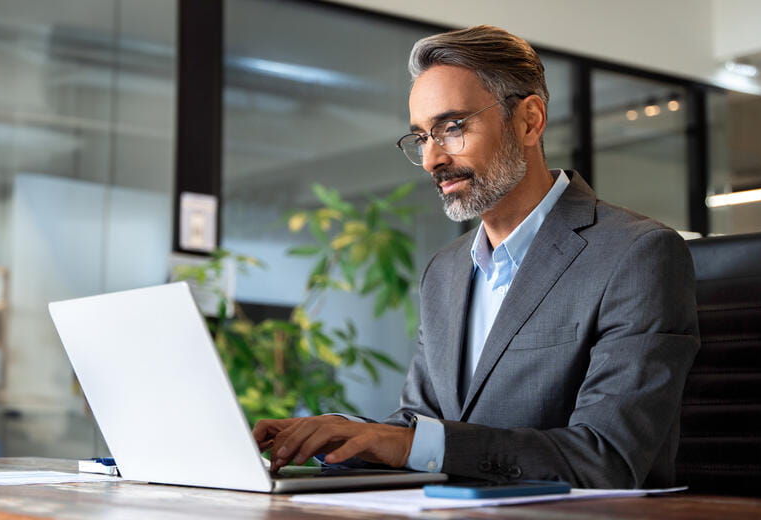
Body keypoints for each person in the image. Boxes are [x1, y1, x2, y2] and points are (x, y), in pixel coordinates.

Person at [252, 25, 700, 489]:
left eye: (452, 127)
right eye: (422, 137)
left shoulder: (637, 254)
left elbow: (605, 458)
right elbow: (421, 423)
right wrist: (339, 437)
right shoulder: (445, 270)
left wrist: (405, 444)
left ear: (529, 121)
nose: (431, 159)